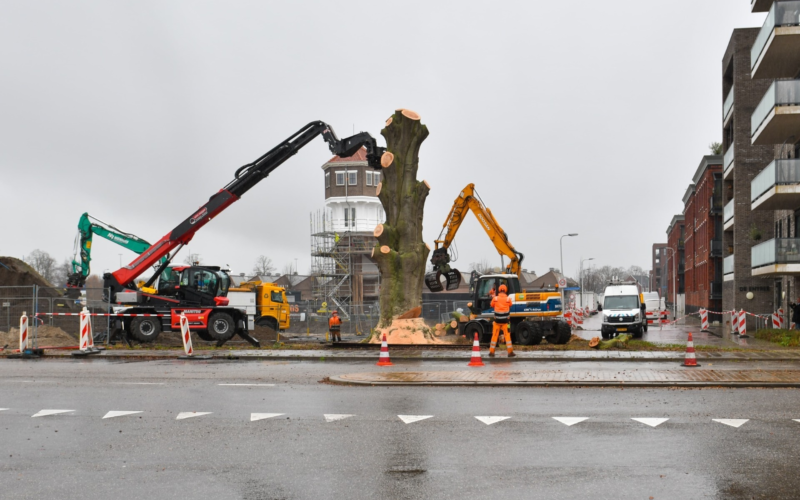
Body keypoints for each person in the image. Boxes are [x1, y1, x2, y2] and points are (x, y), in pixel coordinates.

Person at [489, 284, 515, 358]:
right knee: (507, 336)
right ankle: (510, 352)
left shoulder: (495, 299)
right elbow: (510, 305)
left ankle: (491, 352)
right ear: (505, 290)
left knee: (494, 336)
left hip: (497, 321)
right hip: (506, 322)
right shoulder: (508, 299)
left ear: (499, 290)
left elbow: (491, 305)